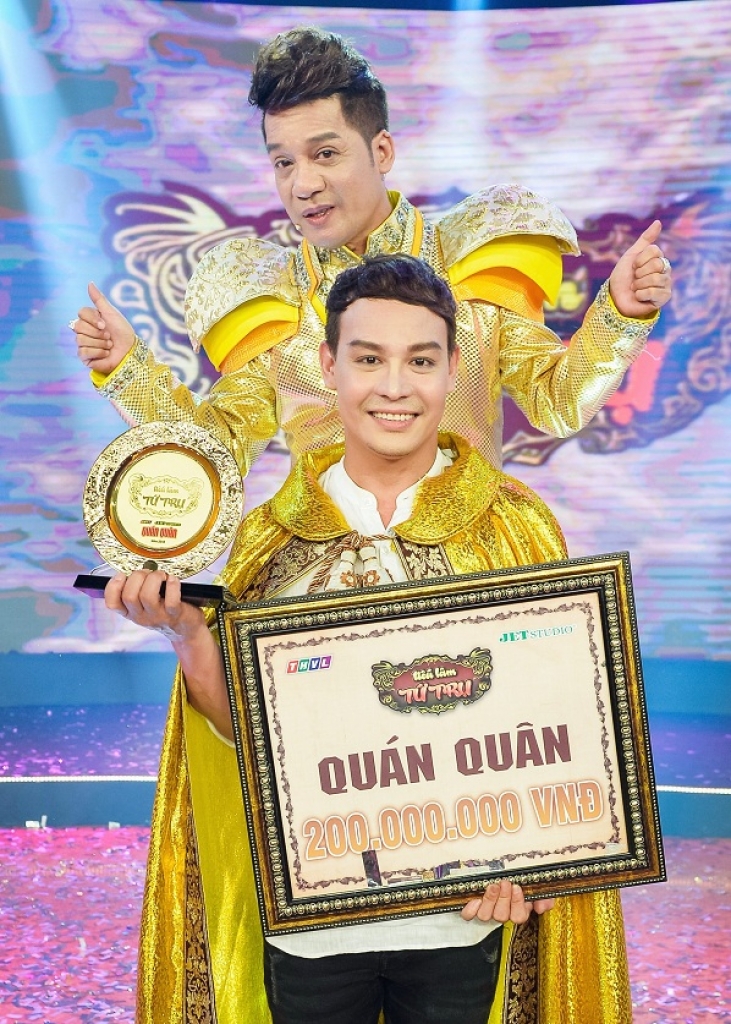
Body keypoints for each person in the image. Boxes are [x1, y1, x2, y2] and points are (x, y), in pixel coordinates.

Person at [106, 255, 633, 1024]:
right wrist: (189, 635)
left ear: (451, 370)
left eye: (419, 361)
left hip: (461, 924)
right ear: (329, 367)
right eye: (367, 359)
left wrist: (547, 862)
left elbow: (562, 732)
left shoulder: (513, 526)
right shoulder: (271, 536)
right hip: (310, 932)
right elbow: (241, 733)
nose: (394, 386)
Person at [71, 26, 672, 477]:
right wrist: (128, 371)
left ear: (381, 151)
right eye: (283, 163)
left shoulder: (472, 261)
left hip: (464, 573)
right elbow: (213, 457)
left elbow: (557, 402)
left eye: (325, 154)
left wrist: (621, 314)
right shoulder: (274, 299)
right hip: (323, 585)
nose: (303, 184)